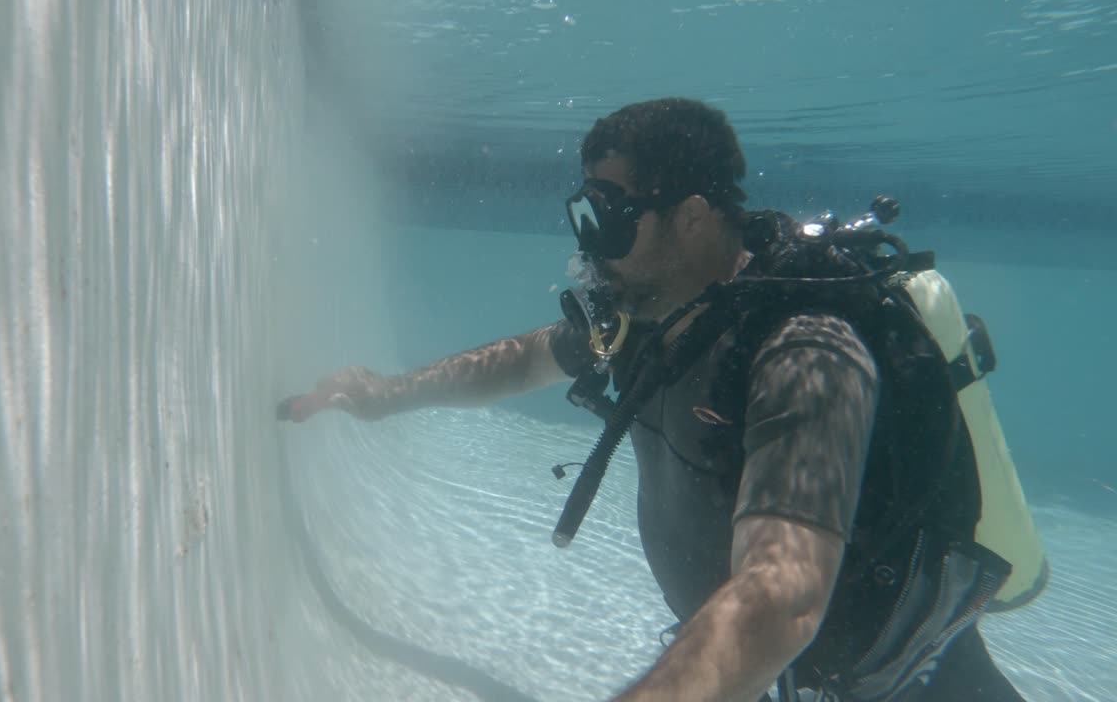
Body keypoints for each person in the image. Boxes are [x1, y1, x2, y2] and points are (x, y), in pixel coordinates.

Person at [280, 98, 1048, 702]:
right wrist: (383, 395)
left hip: (902, 679)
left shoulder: (805, 350)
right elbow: (516, 363)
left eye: (611, 220)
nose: (590, 247)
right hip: (753, 665)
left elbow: (781, 597)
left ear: (691, 216)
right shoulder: (648, 312)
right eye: (586, 216)